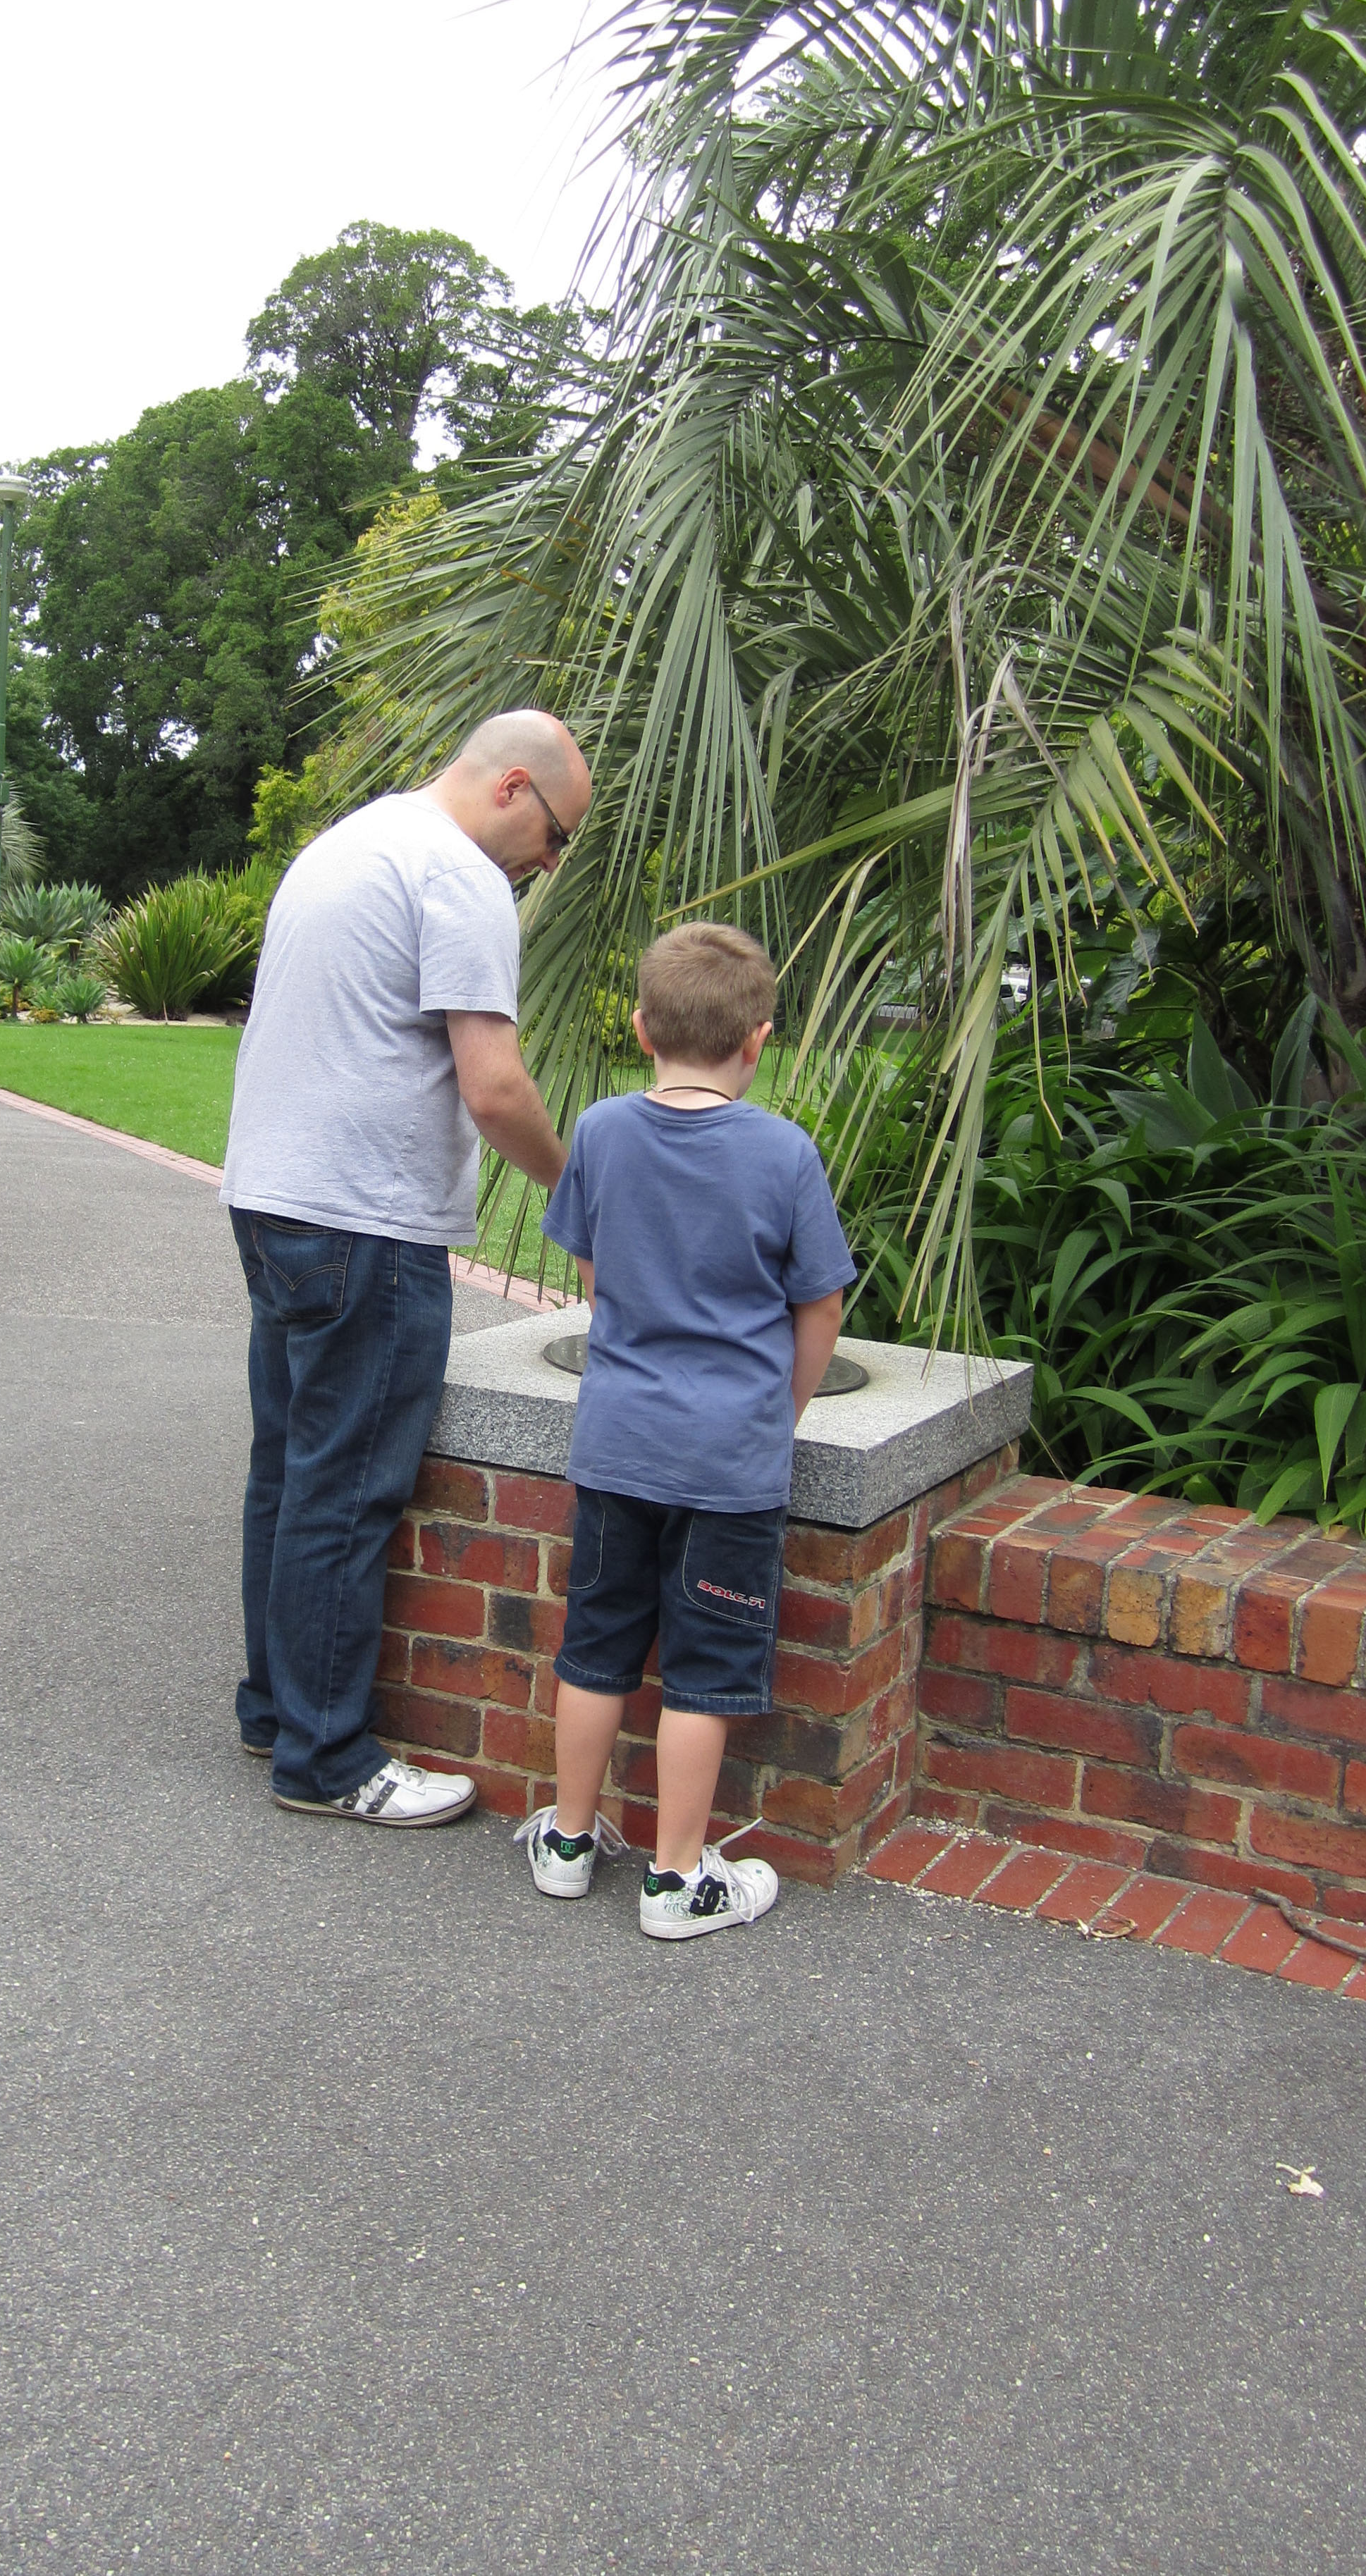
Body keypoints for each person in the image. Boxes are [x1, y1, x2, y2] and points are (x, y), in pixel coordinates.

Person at [221, 709, 591, 1824]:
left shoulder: (349, 842)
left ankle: (275, 1710)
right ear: (515, 786)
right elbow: (495, 1088)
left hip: (272, 1197)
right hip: (365, 1221)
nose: (550, 862)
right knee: (346, 1487)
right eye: (557, 833)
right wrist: (587, 1202)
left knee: (287, 1470)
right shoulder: (462, 877)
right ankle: (327, 1761)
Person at [517, 920, 856, 1937]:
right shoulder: (784, 1152)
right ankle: (676, 1881)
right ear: (756, 1040)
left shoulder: (603, 1132)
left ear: (638, 1026)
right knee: (703, 1670)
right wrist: (776, 1415)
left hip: (619, 1444)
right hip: (729, 1463)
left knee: (596, 1648)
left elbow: (595, 1277)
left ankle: (569, 1845)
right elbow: (821, 1309)